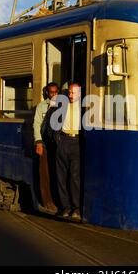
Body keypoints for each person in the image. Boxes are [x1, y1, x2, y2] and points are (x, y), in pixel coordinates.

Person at [45, 82, 82, 220]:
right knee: (61, 177)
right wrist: (56, 139)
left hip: (77, 143)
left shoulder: (84, 106)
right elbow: (50, 122)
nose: (71, 95)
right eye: (70, 92)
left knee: (74, 177)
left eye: (74, 93)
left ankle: (76, 208)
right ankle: (65, 207)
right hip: (63, 141)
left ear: (79, 93)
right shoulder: (62, 104)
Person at [33, 82, 59, 213]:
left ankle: (59, 200)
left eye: (56, 92)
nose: (53, 94)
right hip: (44, 144)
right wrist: (38, 142)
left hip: (58, 145)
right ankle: (47, 202)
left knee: (57, 173)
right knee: (45, 174)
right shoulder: (42, 106)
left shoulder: (63, 105)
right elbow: (37, 124)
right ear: (47, 93)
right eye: (51, 92)